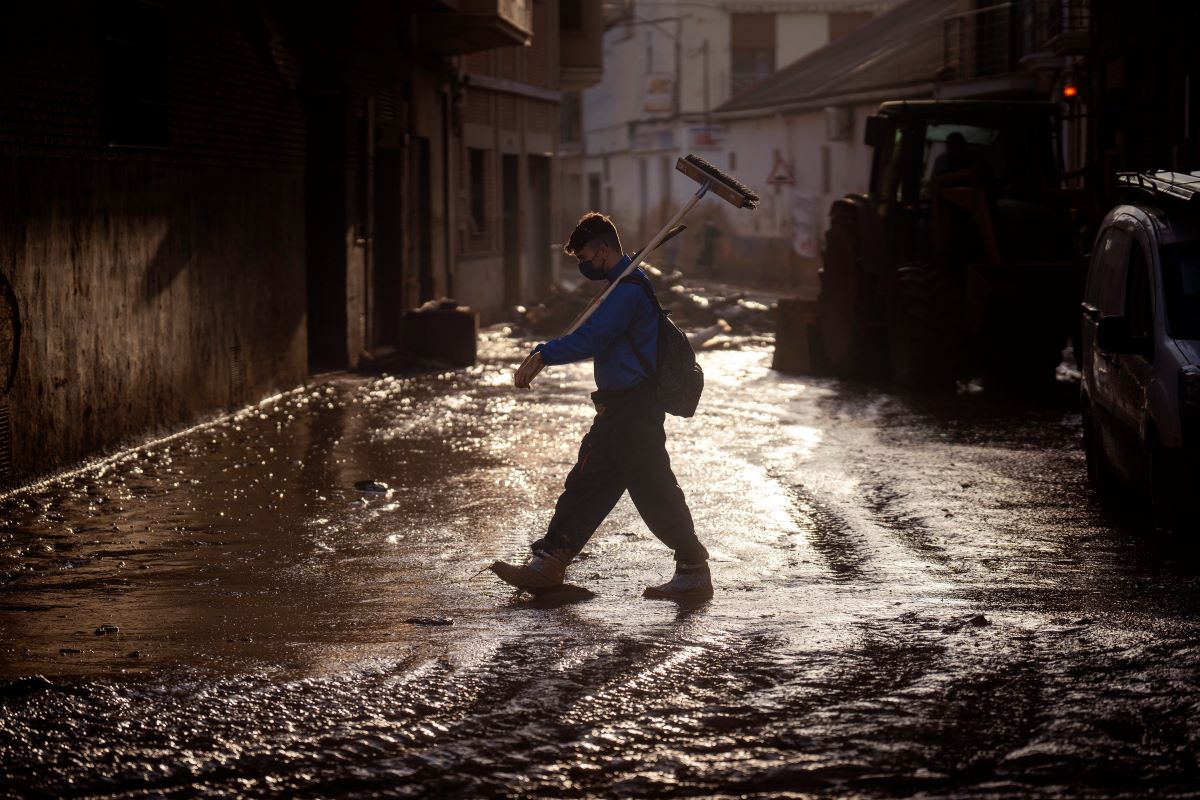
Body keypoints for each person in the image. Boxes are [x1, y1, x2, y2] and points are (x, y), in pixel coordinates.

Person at [492, 212, 712, 601]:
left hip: (633, 409)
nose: (584, 266)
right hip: (619, 408)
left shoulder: (627, 291)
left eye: (586, 257)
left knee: (654, 491)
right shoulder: (618, 286)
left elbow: (594, 338)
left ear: (604, 249)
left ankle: (693, 570)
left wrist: (545, 354)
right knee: (588, 484)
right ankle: (549, 564)